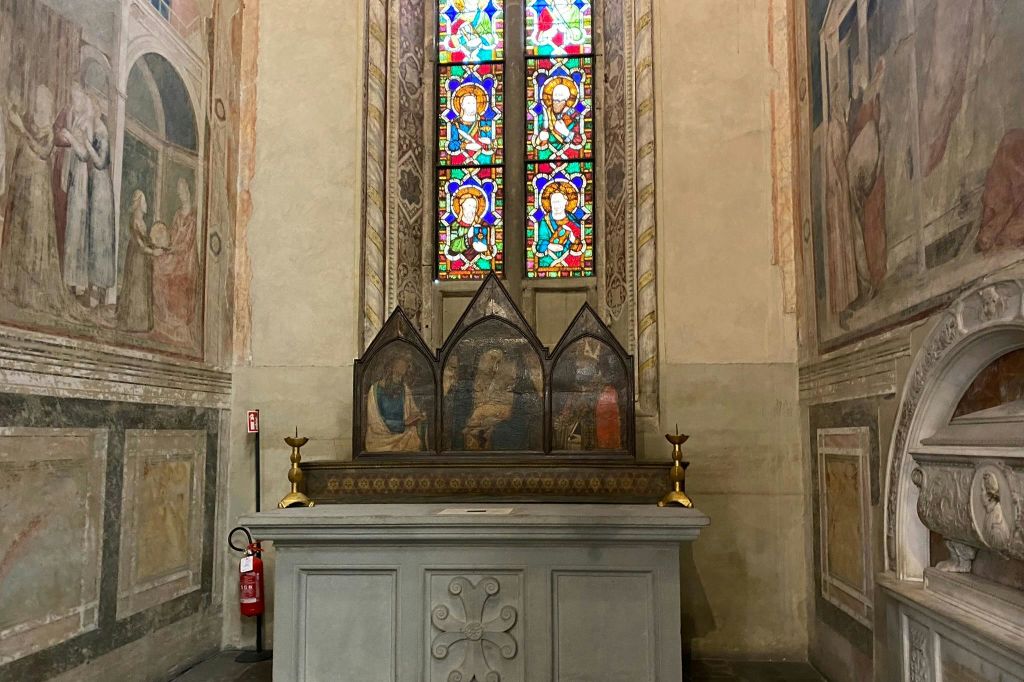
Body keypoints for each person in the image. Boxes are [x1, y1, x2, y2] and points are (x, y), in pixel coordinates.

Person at [0, 85, 66, 313]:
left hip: (38, 187)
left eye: (41, 98)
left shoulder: (48, 130)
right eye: (36, 97)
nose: (38, 101)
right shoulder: (30, 120)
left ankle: (30, 292)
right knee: (19, 232)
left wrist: (22, 130)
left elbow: (44, 152)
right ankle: (13, 286)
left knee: (34, 234)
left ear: (48, 102)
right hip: (23, 184)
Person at [153, 178, 200, 344]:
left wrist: (172, 250)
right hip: (175, 253)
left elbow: (187, 245)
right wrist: (164, 244)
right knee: (157, 263)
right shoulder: (178, 214)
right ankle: (163, 314)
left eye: (182, 189)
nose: (180, 193)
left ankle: (176, 318)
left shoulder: (193, 217)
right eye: (178, 190)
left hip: (185, 259)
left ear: (188, 190)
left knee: (169, 271)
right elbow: (172, 235)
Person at [57, 84, 92, 302]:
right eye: (72, 98)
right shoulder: (74, 118)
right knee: (71, 225)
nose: (74, 102)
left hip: (80, 176)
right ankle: (69, 279)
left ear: (83, 99)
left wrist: (70, 138)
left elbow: (84, 154)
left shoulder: (87, 123)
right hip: (72, 174)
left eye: (77, 98)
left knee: (77, 226)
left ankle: (77, 281)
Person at [117, 190, 164, 332]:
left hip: (143, 260)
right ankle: (135, 322)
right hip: (136, 259)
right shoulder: (135, 221)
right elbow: (140, 245)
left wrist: (156, 246)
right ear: (138, 205)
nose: (146, 205)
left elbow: (146, 241)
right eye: (144, 202)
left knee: (143, 287)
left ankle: (143, 322)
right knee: (136, 287)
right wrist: (153, 252)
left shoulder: (142, 221)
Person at [365, 356, 425, 451]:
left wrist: (418, 415)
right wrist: (403, 423)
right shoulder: (374, 390)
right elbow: (374, 423)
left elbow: (413, 410)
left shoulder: (405, 389)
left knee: (414, 439)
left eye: (405, 368)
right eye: (399, 368)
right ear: (390, 368)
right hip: (381, 439)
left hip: (404, 435)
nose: (400, 377)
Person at [533, 180, 585, 269]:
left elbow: (581, 244)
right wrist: (549, 246)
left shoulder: (573, 221)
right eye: (554, 202)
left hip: (570, 262)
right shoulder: (545, 221)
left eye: (559, 202)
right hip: (548, 261)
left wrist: (573, 240)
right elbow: (539, 244)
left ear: (566, 202)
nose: (556, 205)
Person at [445, 185, 493, 272]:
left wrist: (486, 247)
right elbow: (452, 250)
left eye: (474, 207)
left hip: (481, 263)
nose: (472, 210)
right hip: (458, 264)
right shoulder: (455, 225)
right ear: (461, 207)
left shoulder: (483, 225)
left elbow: (490, 251)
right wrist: (468, 236)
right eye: (469, 205)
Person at [532, 80, 584, 158]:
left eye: (559, 101)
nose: (556, 103)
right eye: (554, 100)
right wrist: (540, 138)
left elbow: (579, 141)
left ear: (566, 101)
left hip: (570, 155)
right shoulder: (545, 115)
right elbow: (535, 143)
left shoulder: (574, 116)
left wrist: (566, 132)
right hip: (546, 155)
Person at [446, 84, 493, 162]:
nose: (472, 106)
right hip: (460, 161)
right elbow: (451, 145)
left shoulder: (484, 122)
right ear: (462, 105)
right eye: (469, 103)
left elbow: (493, 144)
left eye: (474, 103)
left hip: (483, 160)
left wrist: (489, 142)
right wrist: (466, 146)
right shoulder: (455, 124)